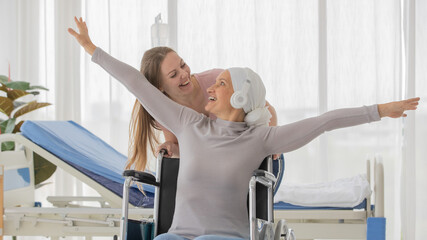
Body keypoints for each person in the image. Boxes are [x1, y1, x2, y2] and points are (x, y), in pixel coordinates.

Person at [68, 17, 419, 240]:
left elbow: (325, 121)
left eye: (219, 83)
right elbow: (135, 82)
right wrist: (91, 48)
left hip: (225, 236)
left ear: (238, 97)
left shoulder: (262, 138)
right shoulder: (186, 122)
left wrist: (378, 111)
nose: (208, 85)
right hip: (177, 235)